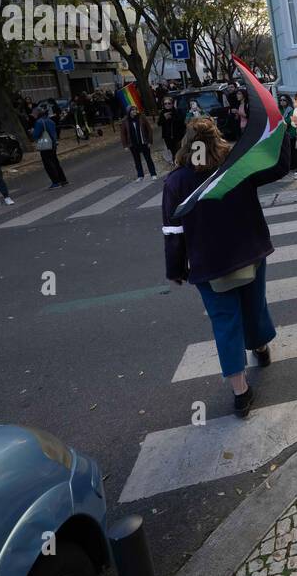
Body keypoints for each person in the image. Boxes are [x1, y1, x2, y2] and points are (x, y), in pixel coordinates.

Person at [163, 118, 286, 418]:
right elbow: (278, 168)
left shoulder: (176, 182)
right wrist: (283, 133)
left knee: (224, 322)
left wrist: (176, 269)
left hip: (209, 264)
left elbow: (173, 232)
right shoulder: (237, 167)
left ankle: (240, 394)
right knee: (253, 306)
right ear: (217, 138)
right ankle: (259, 348)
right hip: (250, 253)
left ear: (186, 143)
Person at [121, 106, 158, 180]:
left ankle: (153, 174)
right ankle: (140, 175)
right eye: (132, 110)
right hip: (133, 144)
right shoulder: (125, 120)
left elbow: (149, 129)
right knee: (137, 160)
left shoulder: (141, 118)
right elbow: (123, 133)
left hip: (143, 142)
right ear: (129, 112)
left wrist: (149, 141)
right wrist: (125, 145)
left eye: (135, 110)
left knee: (148, 158)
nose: (135, 111)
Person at [158, 97, 186, 164]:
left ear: (172, 104)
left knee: (179, 152)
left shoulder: (177, 111)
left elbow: (181, 121)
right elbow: (159, 123)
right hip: (168, 138)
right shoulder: (163, 113)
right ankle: (177, 167)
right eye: (165, 104)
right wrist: (165, 118)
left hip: (178, 136)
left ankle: (181, 166)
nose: (167, 105)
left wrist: (172, 116)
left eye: (169, 103)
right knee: (173, 153)